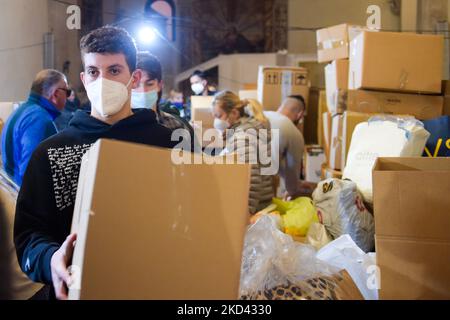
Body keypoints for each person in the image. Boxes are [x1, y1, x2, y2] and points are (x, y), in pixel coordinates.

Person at [14, 25, 177, 300]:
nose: (102, 80)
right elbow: (29, 235)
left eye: (114, 70)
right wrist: (51, 259)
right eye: (93, 72)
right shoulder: (51, 153)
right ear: (83, 78)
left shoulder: (169, 145)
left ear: (133, 77)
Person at [1, 69, 69, 186]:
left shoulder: (21, 111)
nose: (68, 97)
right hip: (22, 197)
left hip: (12, 190)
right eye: (67, 92)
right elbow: (31, 175)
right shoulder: (40, 120)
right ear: (56, 94)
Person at [212, 91, 273, 214]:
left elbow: (251, 179)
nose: (216, 121)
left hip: (254, 208)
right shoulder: (249, 128)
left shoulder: (241, 136)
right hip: (262, 203)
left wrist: (246, 213)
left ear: (234, 113)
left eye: (219, 116)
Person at [131, 51, 197, 152]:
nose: (143, 91)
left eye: (149, 84)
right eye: (137, 85)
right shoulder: (118, 128)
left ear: (159, 85)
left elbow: (190, 165)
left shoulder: (177, 127)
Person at [264, 95, 307, 199]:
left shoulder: (263, 115)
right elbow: (291, 173)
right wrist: (294, 190)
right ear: (300, 115)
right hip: (260, 186)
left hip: (231, 171)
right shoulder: (294, 133)